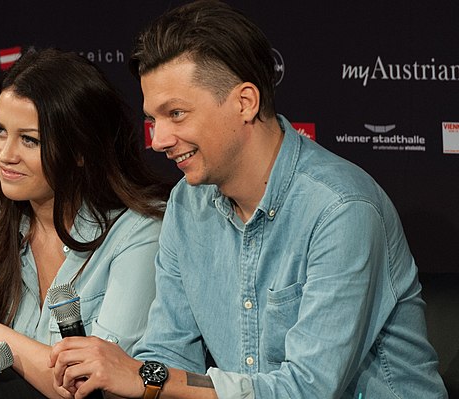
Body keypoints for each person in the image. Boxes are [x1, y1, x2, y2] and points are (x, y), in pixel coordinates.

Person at [48, 1, 449, 398]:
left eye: (177, 114)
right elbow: (168, 352)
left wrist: (146, 377)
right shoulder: (186, 204)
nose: (159, 140)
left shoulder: (340, 210)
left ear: (245, 102)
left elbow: (306, 390)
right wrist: (145, 378)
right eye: (153, 119)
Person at [0, 47, 170, 398]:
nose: (6, 154)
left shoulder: (140, 232)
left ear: (80, 150)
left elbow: (93, 386)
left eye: (30, 139)